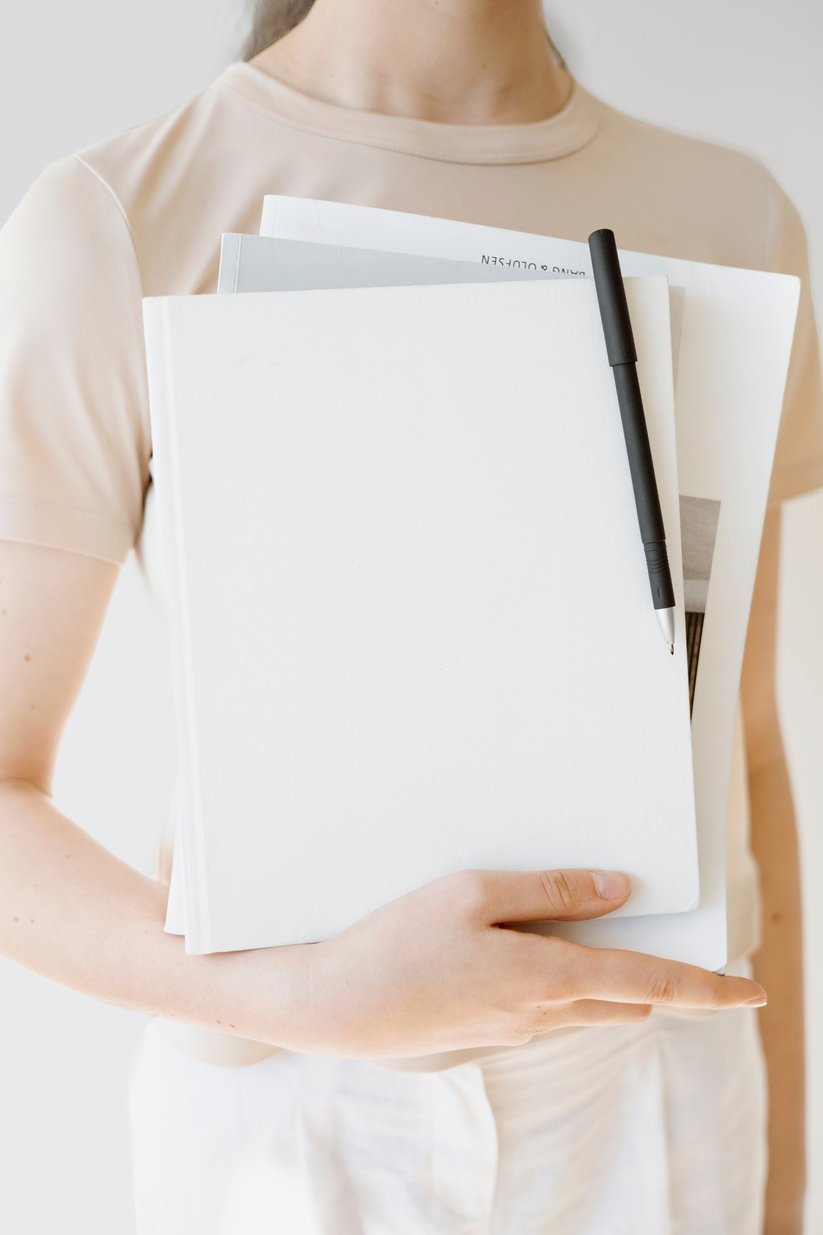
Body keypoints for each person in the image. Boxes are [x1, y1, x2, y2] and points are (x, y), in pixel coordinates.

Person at [0, 1, 821, 1231]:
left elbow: (745, 751)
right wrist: (305, 996)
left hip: (657, 1111)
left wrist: (776, 1181)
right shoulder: (116, 214)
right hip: (290, 1130)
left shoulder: (735, 210)